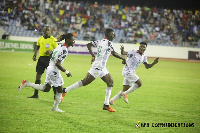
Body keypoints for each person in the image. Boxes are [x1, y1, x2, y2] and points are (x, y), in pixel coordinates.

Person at [61, 28, 126, 112]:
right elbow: (113, 53)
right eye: (113, 34)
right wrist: (123, 58)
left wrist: (92, 55)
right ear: (108, 35)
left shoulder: (99, 41)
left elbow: (88, 44)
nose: (114, 36)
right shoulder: (109, 43)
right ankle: (65, 90)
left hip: (102, 67)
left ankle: (106, 105)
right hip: (98, 67)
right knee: (84, 82)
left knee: (110, 83)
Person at [18, 33, 75, 112]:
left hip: (50, 68)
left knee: (46, 89)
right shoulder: (64, 50)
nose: (74, 41)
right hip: (54, 70)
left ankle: (27, 83)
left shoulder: (60, 46)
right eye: (73, 40)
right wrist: (66, 72)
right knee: (60, 90)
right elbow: (57, 64)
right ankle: (55, 108)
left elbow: (51, 55)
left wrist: (50, 53)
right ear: (68, 40)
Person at [28, 25, 58, 98]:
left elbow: (57, 49)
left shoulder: (53, 39)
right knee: (38, 76)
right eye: (46, 30)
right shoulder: (40, 39)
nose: (47, 31)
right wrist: (35, 55)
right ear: (43, 31)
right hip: (41, 59)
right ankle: (35, 94)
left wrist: (51, 51)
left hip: (49, 60)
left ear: (50, 31)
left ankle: (56, 95)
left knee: (53, 77)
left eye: (48, 30)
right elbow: (37, 47)